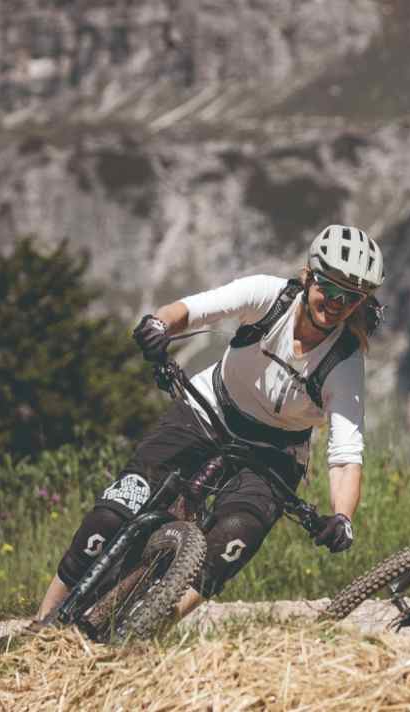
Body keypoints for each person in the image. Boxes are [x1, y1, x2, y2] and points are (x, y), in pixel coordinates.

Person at [33, 224, 384, 626]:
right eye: (330, 287)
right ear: (309, 276)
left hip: (274, 453)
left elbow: (344, 455)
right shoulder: (269, 296)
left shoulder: (344, 362)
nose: (337, 303)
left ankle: (148, 629)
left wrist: (343, 518)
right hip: (209, 410)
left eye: (351, 297)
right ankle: (42, 623)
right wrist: (159, 325)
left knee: (235, 535)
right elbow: (195, 309)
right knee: (115, 511)